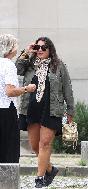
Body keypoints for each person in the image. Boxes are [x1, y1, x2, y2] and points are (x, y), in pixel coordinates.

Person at [16, 37, 74, 188]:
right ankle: (50, 169)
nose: (40, 49)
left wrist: (70, 110)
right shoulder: (29, 64)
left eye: (44, 47)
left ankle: (40, 178)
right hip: (31, 108)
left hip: (51, 109)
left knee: (45, 144)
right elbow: (16, 69)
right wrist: (27, 52)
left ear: (50, 50)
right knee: (35, 146)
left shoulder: (59, 66)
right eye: (38, 47)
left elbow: (67, 88)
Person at [0, 34, 36, 163]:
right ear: (10, 48)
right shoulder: (8, 65)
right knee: (9, 148)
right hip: (6, 111)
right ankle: (7, 180)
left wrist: (26, 52)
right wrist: (27, 88)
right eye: (15, 45)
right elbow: (10, 91)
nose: (17, 48)